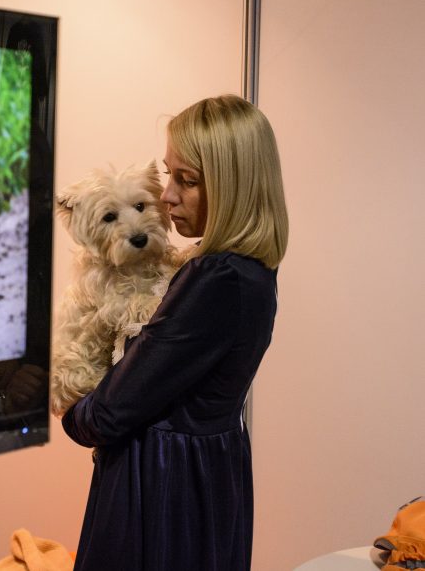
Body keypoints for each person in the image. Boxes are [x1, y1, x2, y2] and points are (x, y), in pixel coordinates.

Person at [61, 94, 288, 570]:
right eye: (168, 175)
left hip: (164, 483)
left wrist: (70, 412)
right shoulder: (251, 269)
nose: (167, 197)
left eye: (187, 181)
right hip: (209, 470)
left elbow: (110, 412)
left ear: (233, 186)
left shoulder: (214, 278)